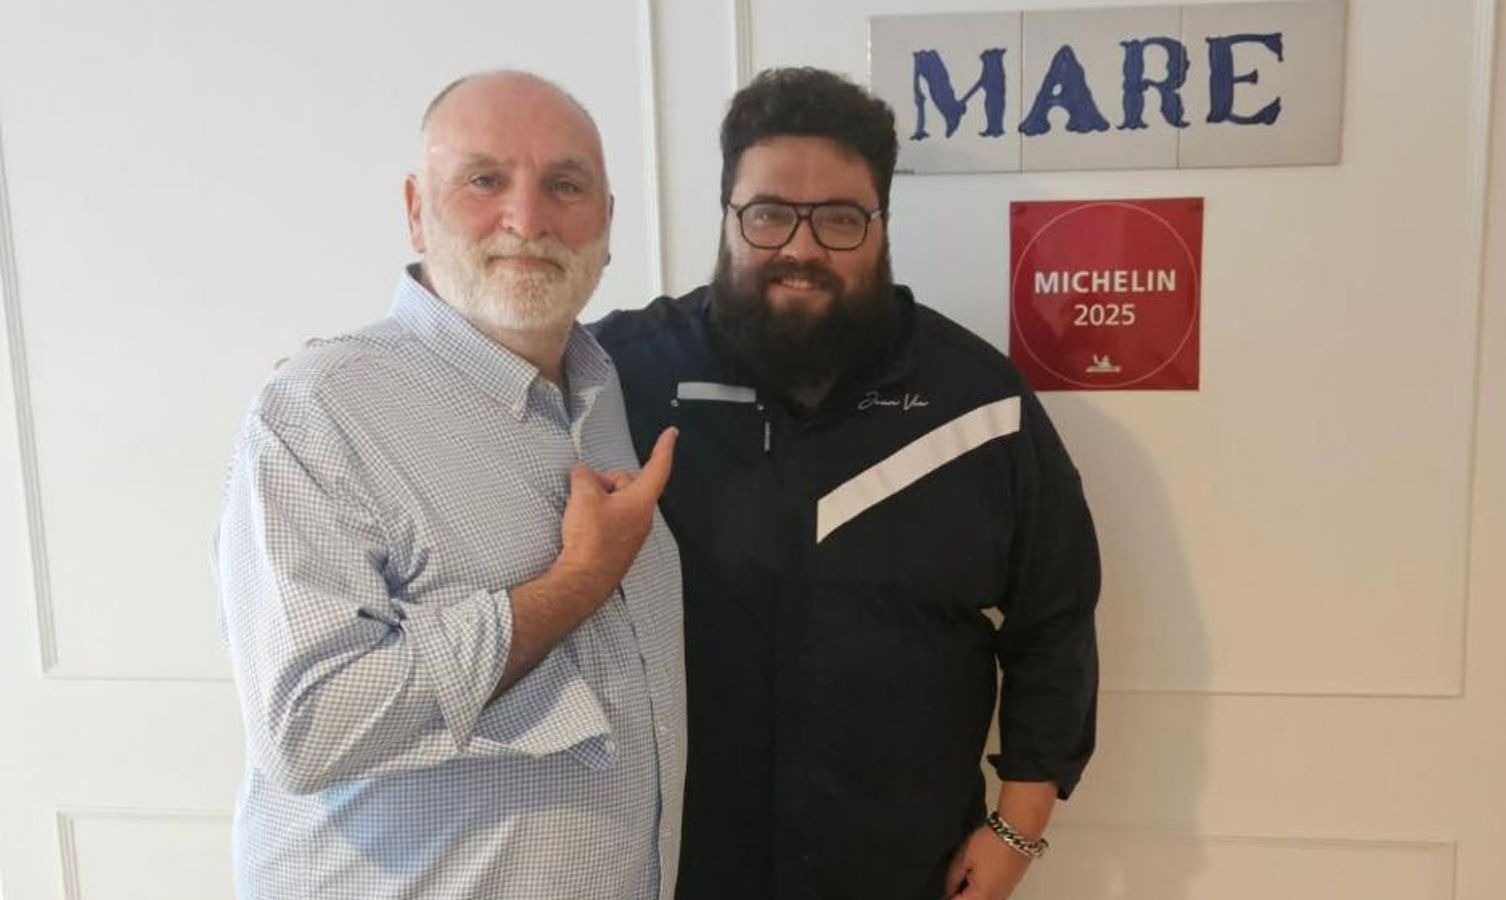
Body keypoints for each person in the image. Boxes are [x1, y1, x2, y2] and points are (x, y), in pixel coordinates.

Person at [594, 67, 1100, 900]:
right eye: (768, 216)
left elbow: (1056, 617)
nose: (800, 249)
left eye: (838, 219)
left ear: (882, 224)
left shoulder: (980, 402)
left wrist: (1019, 826)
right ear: (728, 217)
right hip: (669, 866)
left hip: (903, 865)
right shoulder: (620, 374)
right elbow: (478, 407)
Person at [215, 71, 684, 900]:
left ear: (606, 223)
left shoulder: (603, 389)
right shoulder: (321, 410)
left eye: (565, 186)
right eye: (484, 180)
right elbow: (308, 726)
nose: (528, 219)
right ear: (415, 209)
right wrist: (575, 583)